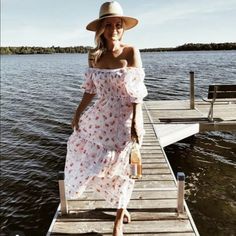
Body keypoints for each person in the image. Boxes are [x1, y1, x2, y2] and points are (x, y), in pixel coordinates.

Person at [64, 1, 148, 235]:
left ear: (123, 27)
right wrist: (78, 111)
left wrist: (135, 124)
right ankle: (120, 203)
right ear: (102, 28)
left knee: (125, 171)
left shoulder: (131, 52)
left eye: (118, 25)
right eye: (109, 24)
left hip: (125, 120)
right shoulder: (94, 55)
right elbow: (90, 89)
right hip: (100, 119)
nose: (114, 29)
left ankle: (118, 221)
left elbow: (137, 94)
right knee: (93, 159)